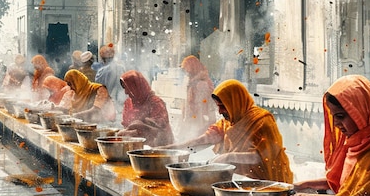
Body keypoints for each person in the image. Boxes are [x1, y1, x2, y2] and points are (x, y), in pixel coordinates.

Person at [163, 79, 293, 183]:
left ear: (234, 102)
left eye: (223, 107)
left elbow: (262, 157)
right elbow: (202, 140)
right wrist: (169, 150)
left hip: (270, 184)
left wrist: (228, 157)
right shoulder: (228, 122)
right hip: (242, 182)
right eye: (218, 107)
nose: (220, 112)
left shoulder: (262, 121)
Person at [118, 70, 174, 146]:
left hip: (160, 148)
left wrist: (135, 131)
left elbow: (159, 131)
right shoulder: (128, 103)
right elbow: (126, 125)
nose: (126, 92)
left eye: (129, 88)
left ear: (137, 87)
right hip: (134, 146)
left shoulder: (156, 103)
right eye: (124, 88)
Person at [179, 55, 217, 140]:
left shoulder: (201, 83)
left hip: (201, 119)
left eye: (187, 69)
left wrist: (188, 121)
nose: (186, 72)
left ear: (192, 68)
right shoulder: (193, 81)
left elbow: (201, 106)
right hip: (196, 118)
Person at [94, 44, 125, 115]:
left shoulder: (101, 72)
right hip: (120, 106)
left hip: (105, 106)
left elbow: (98, 88)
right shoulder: (121, 68)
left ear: (102, 58)